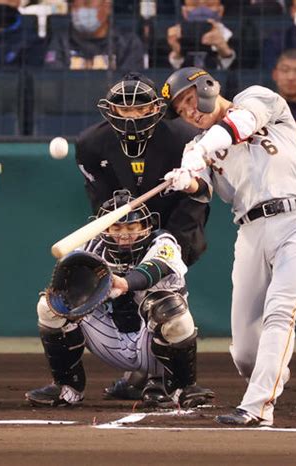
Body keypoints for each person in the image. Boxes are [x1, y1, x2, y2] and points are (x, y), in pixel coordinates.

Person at [161, 67, 296, 426]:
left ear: (207, 87)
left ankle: (257, 407)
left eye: (190, 100)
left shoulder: (256, 98)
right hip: (251, 231)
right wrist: (186, 179)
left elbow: (241, 124)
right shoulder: (195, 148)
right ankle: (270, 377)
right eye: (181, 110)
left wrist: (203, 148)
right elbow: (202, 189)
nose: (190, 112)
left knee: (279, 311)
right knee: (243, 351)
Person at [76, 72, 210, 399]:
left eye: (139, 108)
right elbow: (103, 204)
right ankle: (140, 370)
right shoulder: (91, 144)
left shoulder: (185, 138)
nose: (132, 116)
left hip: (177, 215)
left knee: (163, 288)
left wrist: (171, 242)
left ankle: (163, 376)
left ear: (156, 107)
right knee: (121, 290)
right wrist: (126, 232)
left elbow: (199, 195)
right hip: (126, 223)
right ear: (110, 110)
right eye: (124, 109)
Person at [25, 190, 215, 408]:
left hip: (152, 343)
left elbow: (154, 269)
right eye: (116, 227)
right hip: (109, 337)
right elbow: (67, 285)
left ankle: (181, 387)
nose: (123, 234)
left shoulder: (163, 242)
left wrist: (124, 283)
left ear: (145, 227)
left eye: (131, 228)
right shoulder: (91, 247)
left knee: (168, 308)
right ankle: (67, 387)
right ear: (105, 228)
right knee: (52, 306)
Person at [44, 0, 144, 71]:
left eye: (87, 4)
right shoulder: (61, 41)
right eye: (74, 6)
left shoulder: (128, 43)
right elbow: (54, 84)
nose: (80, 10)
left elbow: (131, 88)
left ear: (107, 7)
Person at [162, 0, 258, 70]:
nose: (202, 10)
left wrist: (226, 53)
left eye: (209, 5)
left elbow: (249, 69)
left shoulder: (241, 36)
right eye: (194, 5)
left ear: (220, 10)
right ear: (184, 11)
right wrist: (176, 54)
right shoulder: (170, 37)